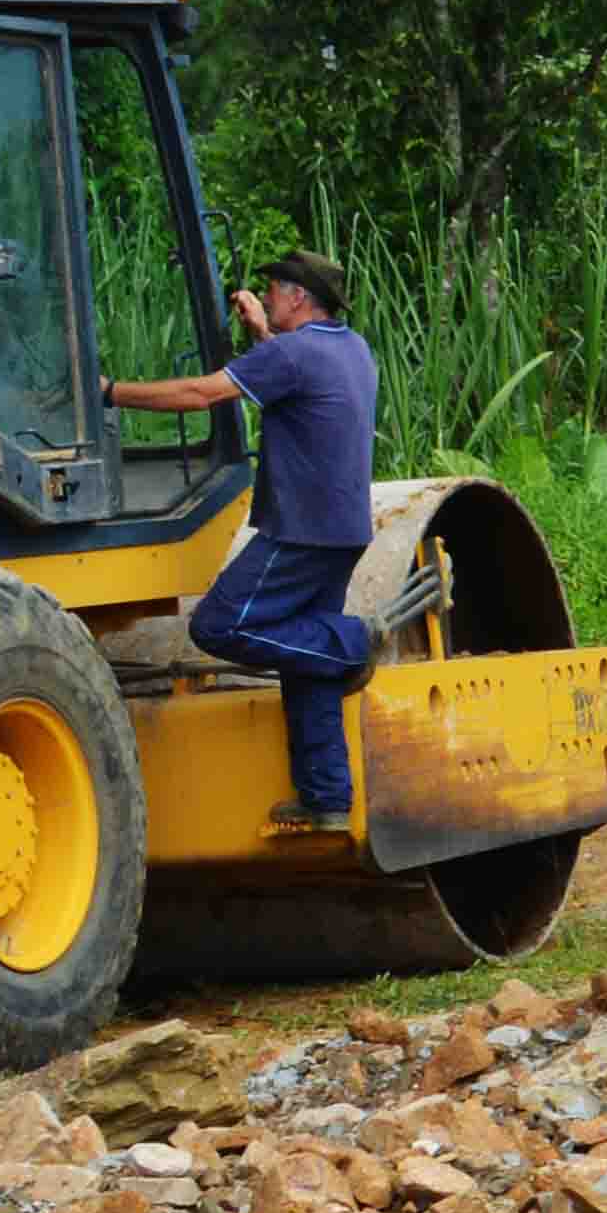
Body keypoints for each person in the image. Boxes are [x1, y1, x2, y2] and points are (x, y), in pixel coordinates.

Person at [110, 249, 382, 834]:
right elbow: (293, 378)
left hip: (301, 532)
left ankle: (354, 641)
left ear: (299, 297)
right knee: (301, 658)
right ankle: (328, 799)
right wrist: (261, 331)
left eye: (275, 289)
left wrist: (107, 392)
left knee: (219, 624)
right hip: (345, 530)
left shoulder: (293, 355)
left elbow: (197, 395)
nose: (269, 296)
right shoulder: (350, 348)